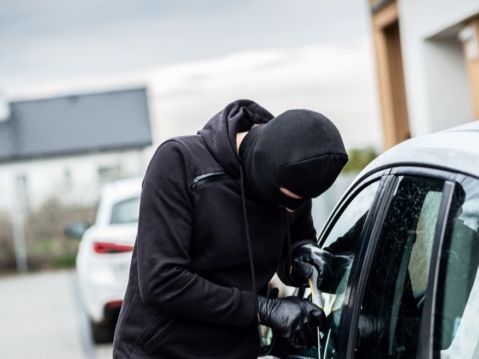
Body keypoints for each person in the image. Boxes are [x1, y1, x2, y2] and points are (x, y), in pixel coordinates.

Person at [113, 99, 348, 358]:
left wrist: (302, 254)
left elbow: (290, 247)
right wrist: (263, 309)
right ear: (264, 171)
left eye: (302, 202)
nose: (294, 209)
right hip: (161, 351)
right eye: (288, 201)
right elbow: (161, 281)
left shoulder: (294, 180)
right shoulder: (179, 162)